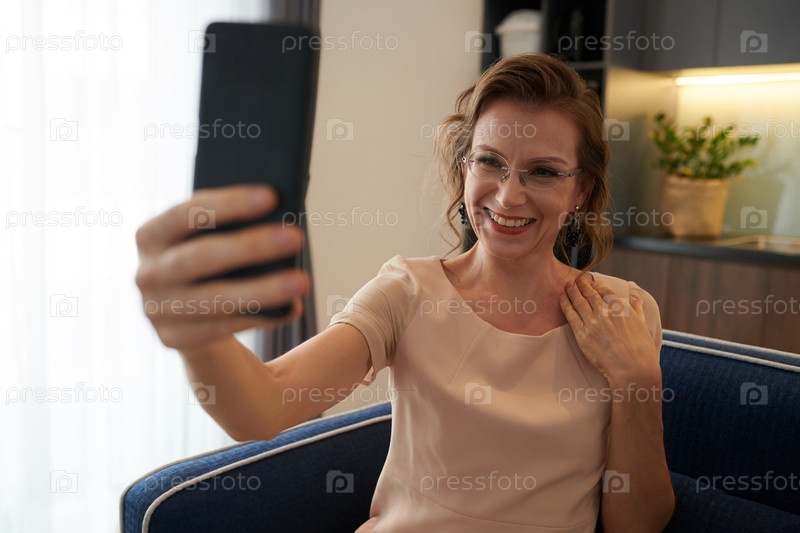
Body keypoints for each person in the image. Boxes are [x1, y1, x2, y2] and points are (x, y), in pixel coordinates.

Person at [135, 53, 674, 532]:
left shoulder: (624, 313)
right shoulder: (408, 291)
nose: (509, 195)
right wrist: (197, 337)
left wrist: (638, 380)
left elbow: (638, 525)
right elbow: (264, 406)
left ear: (580, 189)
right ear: (465, 167)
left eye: (543, 172)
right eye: (490, 161)